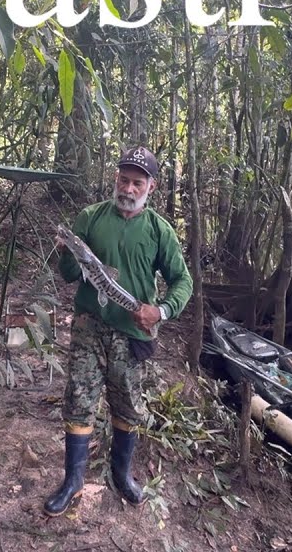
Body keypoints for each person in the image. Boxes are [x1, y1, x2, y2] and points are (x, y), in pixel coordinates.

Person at [44, 146, 193, 516]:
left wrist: (160, 311)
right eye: (123, 179)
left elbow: (182, 281)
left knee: (127, 404)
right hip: (88, 326)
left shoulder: (161, 231)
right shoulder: (90, 217)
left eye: (136, 183)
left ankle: (121, 475)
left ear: (151, 187)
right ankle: (72, 481)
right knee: (78, 400)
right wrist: (66, 252)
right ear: (116, 179)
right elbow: (68, 275)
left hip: (132, 333)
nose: (128, 188)